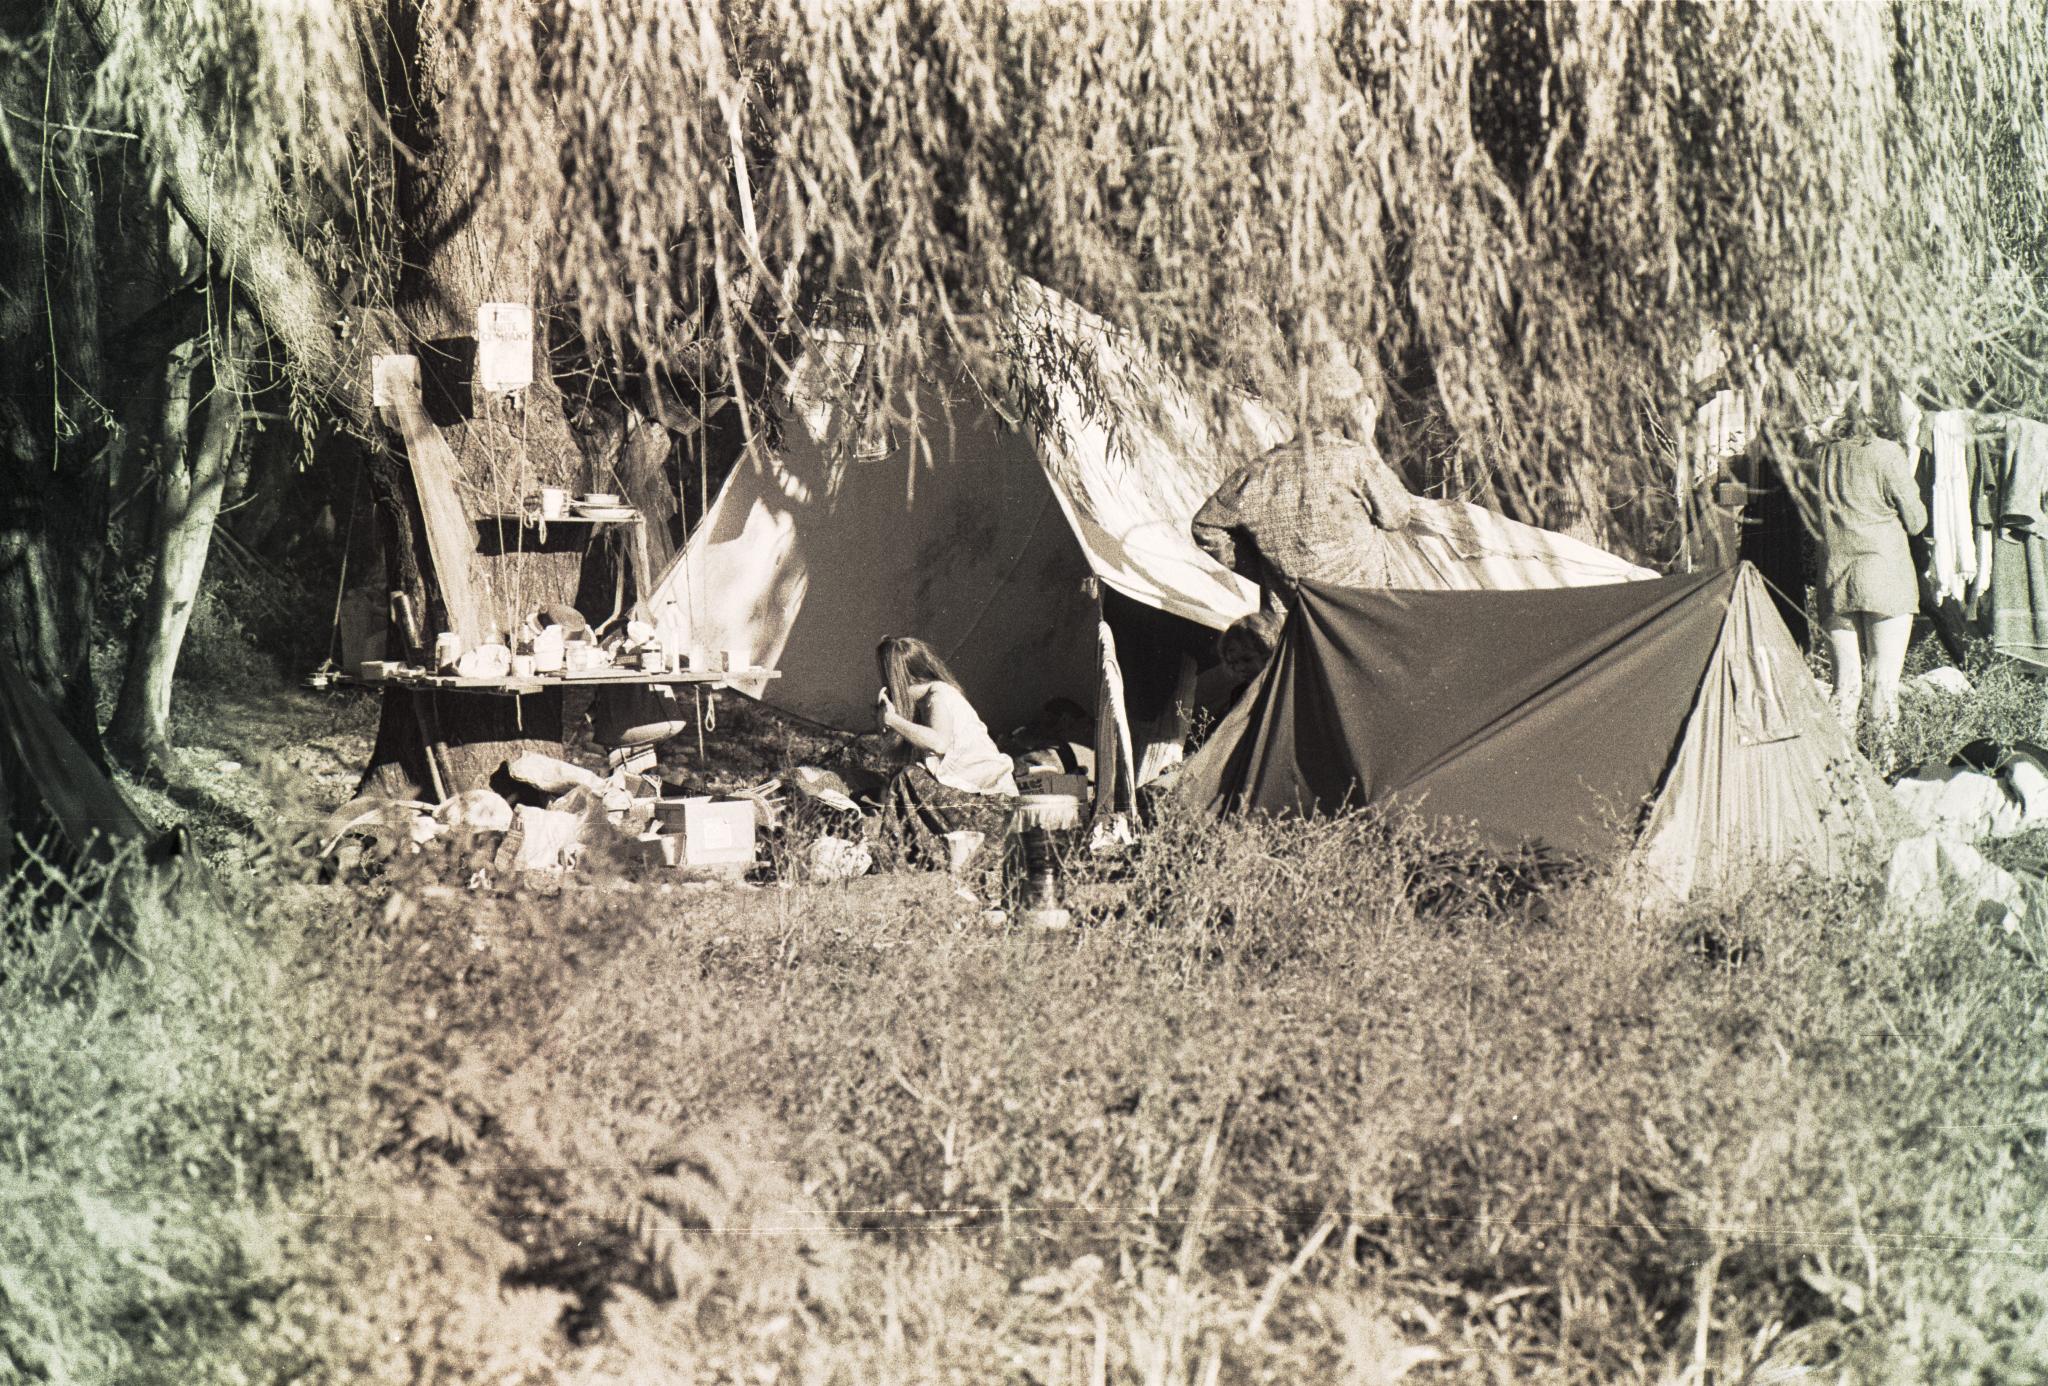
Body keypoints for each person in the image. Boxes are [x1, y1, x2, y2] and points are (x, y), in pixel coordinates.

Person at [1190, 350, 1416, 609]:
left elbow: (1206, 527)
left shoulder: (1261, 471)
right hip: (1361, 623)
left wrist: (1271, 572)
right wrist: (1365, 441)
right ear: (1354, 412)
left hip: (1296, 624)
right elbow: (1398, 514)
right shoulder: (1356, 462)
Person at [1816, 395, 1927, 731]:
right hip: (1885, 576)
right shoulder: (1886, 452)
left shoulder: (1822, 455)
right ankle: (1883, 769)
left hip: (1836, 576)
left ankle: (1839, 772)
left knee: (1845, 687)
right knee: (1883, 683)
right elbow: (1917, 521)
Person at [872, 635, 1016, 872]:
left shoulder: (939, 697)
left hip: (994, 808)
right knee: (909, 777)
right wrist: (888, 724)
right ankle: (907, 859)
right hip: (990, 807)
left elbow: (939, 743)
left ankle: (893, 861)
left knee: (907, 779)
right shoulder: (931, 699)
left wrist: (893, 719)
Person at [1217, 610, 1283, 711]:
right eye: (1233, 663)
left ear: (1269, 654)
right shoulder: (1240, 694)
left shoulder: (1283, 690)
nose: (1240, 668)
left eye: (1247, 659)